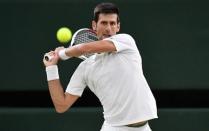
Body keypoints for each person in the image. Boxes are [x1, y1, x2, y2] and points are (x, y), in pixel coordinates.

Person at [43, 2, 157, 131]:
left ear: (118, 26)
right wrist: (51, 68)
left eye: (112, 23)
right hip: (112, 128)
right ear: (94, 26)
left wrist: (63, 54)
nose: (108, 28)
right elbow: (61, 105)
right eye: (104, 23)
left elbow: (83, 48)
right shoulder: (85, 68)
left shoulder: (126, 41)